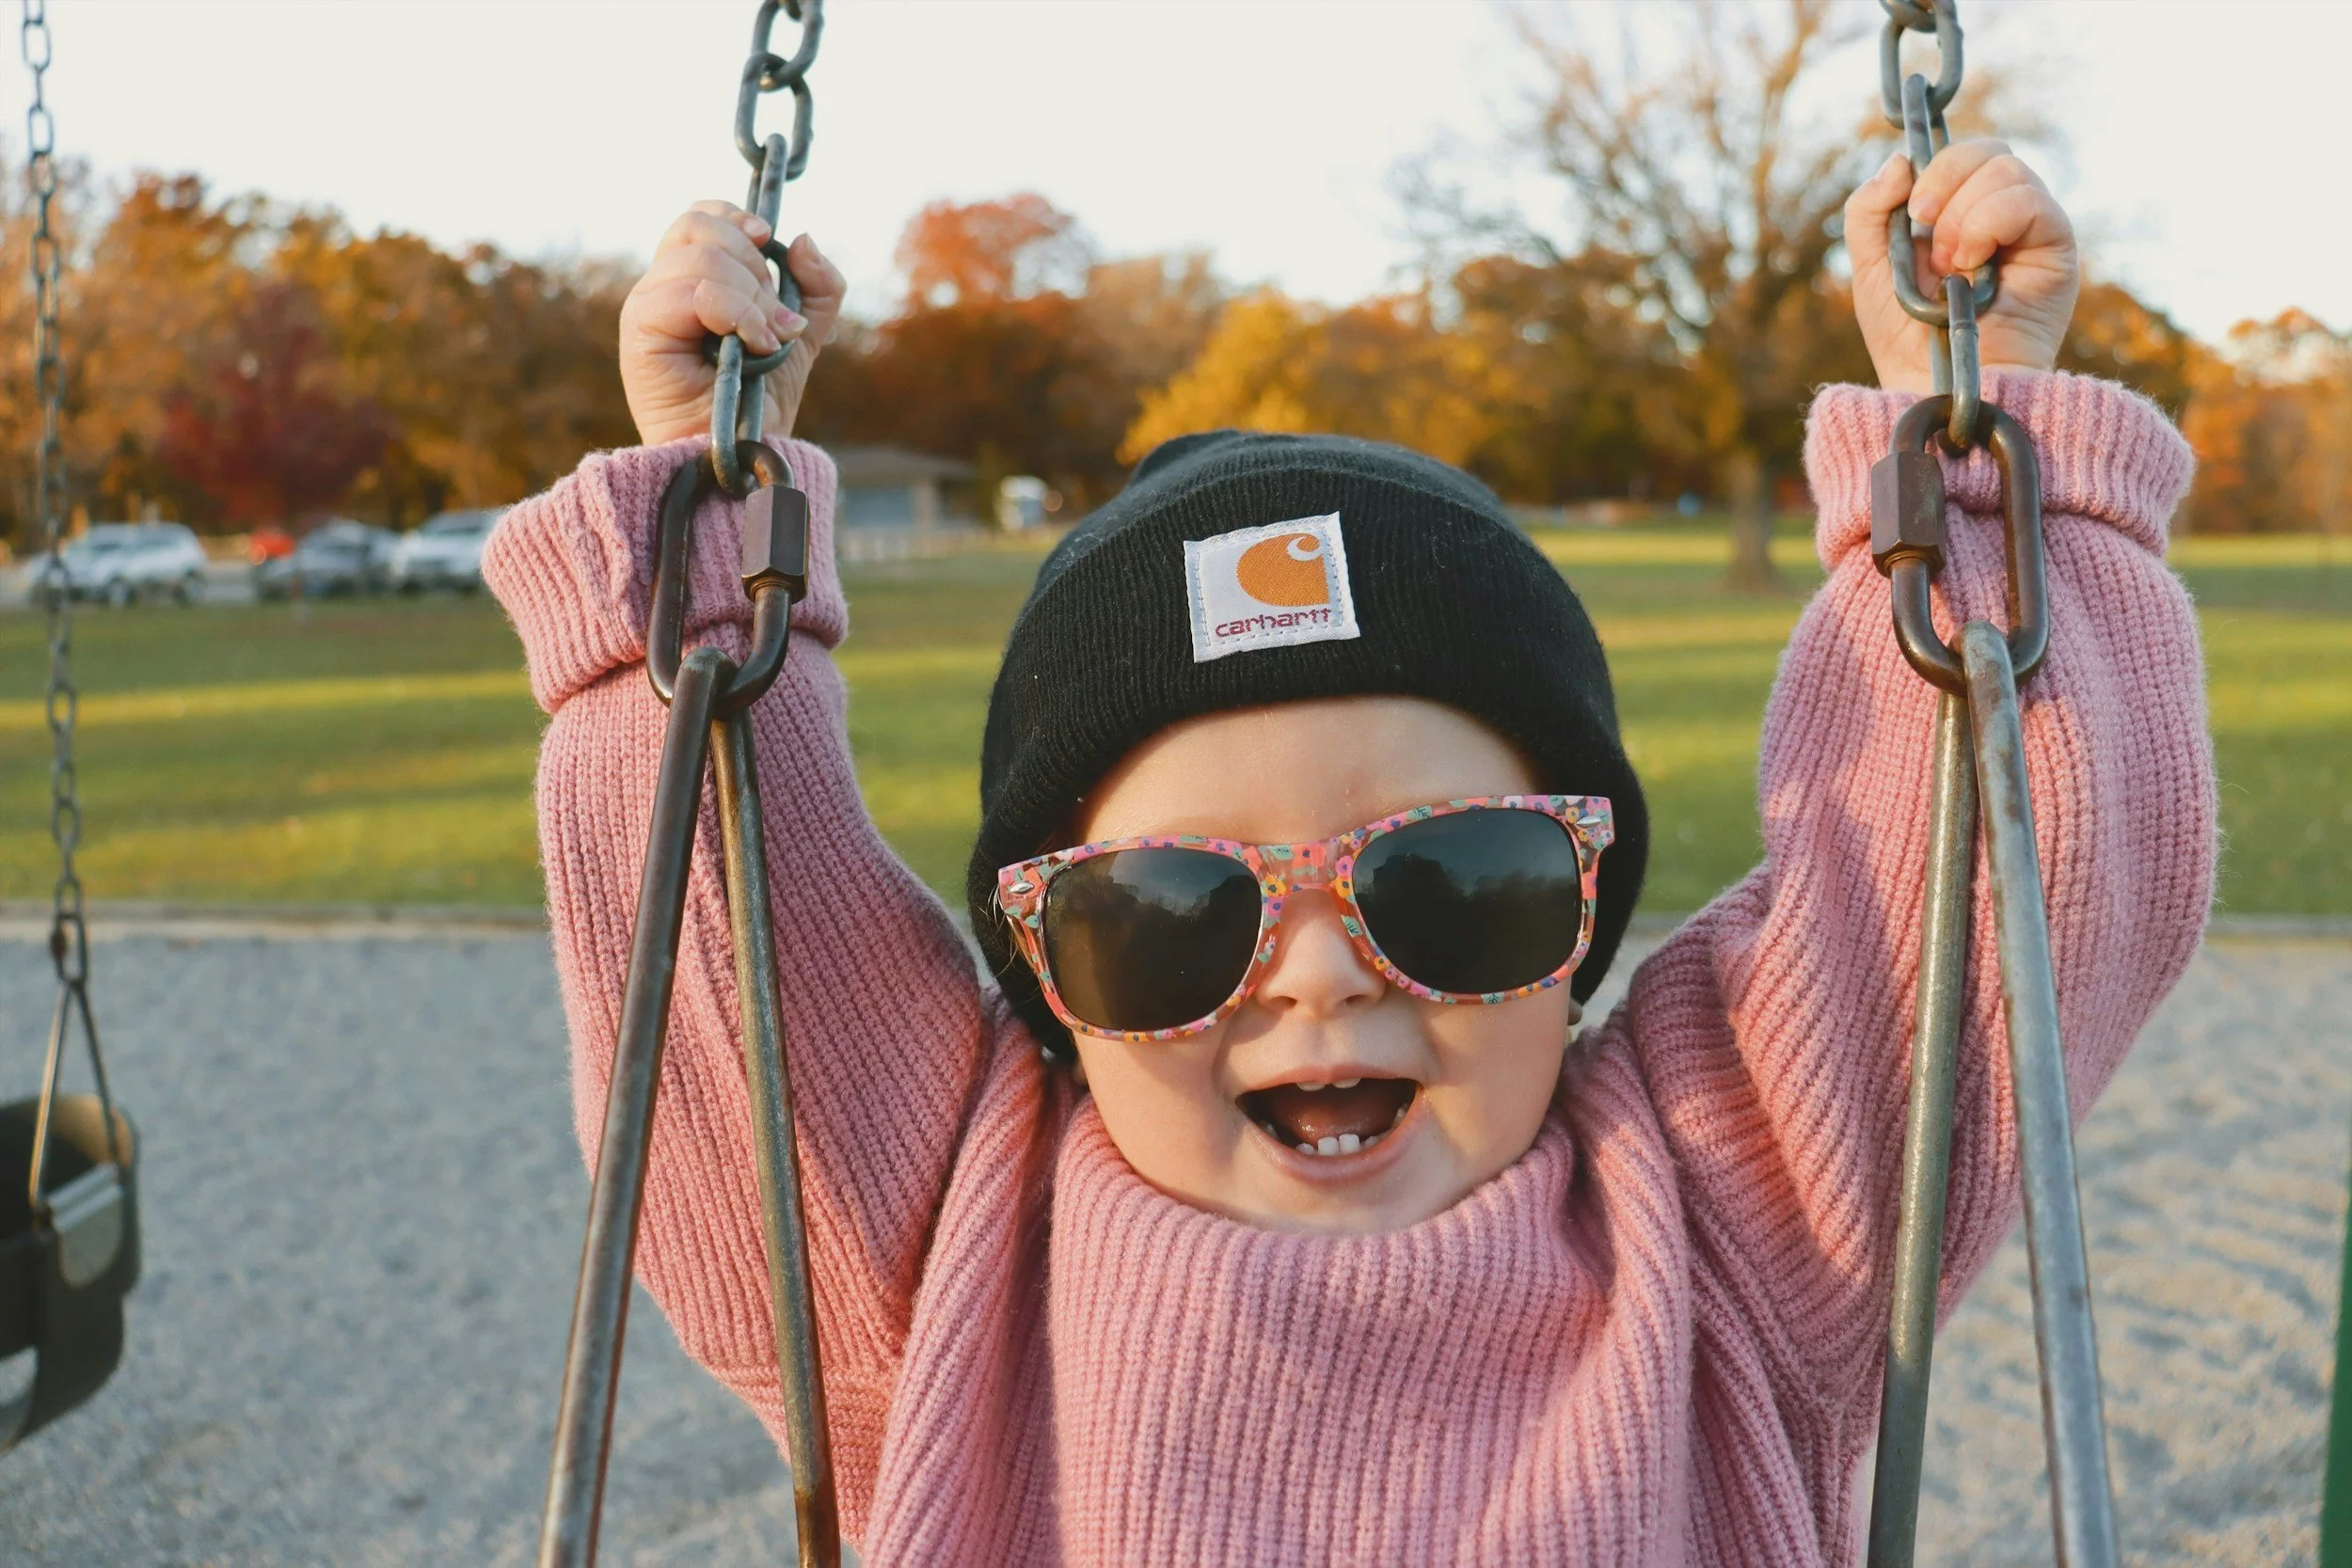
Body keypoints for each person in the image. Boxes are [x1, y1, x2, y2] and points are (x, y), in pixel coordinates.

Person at [484, 141, 2212, 1564]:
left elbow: (1993, 877)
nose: (1318, 970)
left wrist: (1973, 466)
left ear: (1585, 909)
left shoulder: (1738, 1219)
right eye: (1168, 915)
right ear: (1048, 974)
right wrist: (699, 521)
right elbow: (719, 973)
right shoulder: (945, 1263)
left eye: (1454, 883)